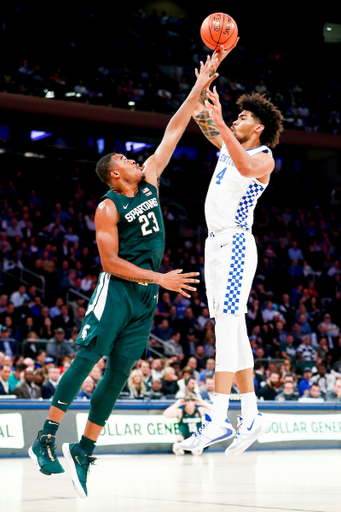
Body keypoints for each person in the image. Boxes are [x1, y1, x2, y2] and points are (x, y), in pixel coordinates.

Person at [28, 55, 218, 498]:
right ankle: (45, 438)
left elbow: (174, 128)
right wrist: (162, 279)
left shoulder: (149, 180)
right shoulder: (108, 206)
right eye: (124, 159)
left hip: (145, 300)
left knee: (117, 377)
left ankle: (84, 449)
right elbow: (109, 264)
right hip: (118, 291)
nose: (135, 159)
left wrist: (200, 86)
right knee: (85, 361)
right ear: (116, 174)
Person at [180, 44, 284, 457]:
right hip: (215, 245)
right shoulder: (228, 144)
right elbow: (198, 116)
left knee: (226, 326)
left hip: (237, 241)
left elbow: (243, 166)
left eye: (243, 117)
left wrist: (223, 121)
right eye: (236, 115)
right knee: (234, 329)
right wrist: (204, 82)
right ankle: (252, 412)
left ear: (256, 128)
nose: (236, 120)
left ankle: (220, 416)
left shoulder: (263, 158)